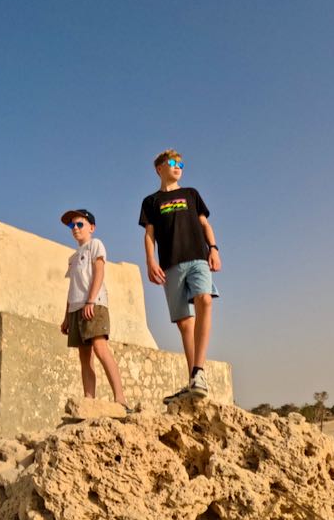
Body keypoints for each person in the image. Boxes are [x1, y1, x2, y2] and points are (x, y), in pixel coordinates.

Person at [139, 149, 221, 402]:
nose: (178, 166)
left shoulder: (191, 194)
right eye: (173, 162)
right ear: (159, 168)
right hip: (170, 264)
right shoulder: (151, 201)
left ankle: (199, 370)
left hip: (197, 257)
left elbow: (205, 224)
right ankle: (194, 379)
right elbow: (149, 234)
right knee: (185, 324)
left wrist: (214, 249)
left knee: (204, 300)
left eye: (181, 163)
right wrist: (150, 260)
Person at [59, 208, 130, 411]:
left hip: (94, 304)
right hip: (76, 309)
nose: (75, 229)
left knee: (100, 348)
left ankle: (121, 398)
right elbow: (72, 286)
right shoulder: (73, 258)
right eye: (72, 225)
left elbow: (99, 272)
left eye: (79, 224)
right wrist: (66, 317)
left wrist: (90, 301)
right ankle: (89, 401)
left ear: (91, 227)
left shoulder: (95, 245)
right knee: (84, 357)